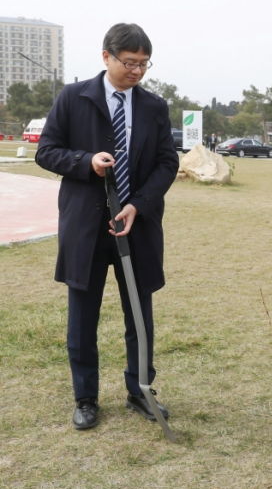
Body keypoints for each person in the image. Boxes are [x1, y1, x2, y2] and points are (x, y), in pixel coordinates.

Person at [36, 23, 179, 430]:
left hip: (136, 224)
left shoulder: (153, 106)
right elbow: (46, 152)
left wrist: (138, 205)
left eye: (143, 64)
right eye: (129, 63)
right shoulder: (73, 97)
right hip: (86, 226)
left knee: (139, 313)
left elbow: (167, 163)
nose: (136, 71)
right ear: (106, 57)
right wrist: (86, 163)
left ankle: (141, 389)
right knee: (83, 315)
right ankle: (85, 397)